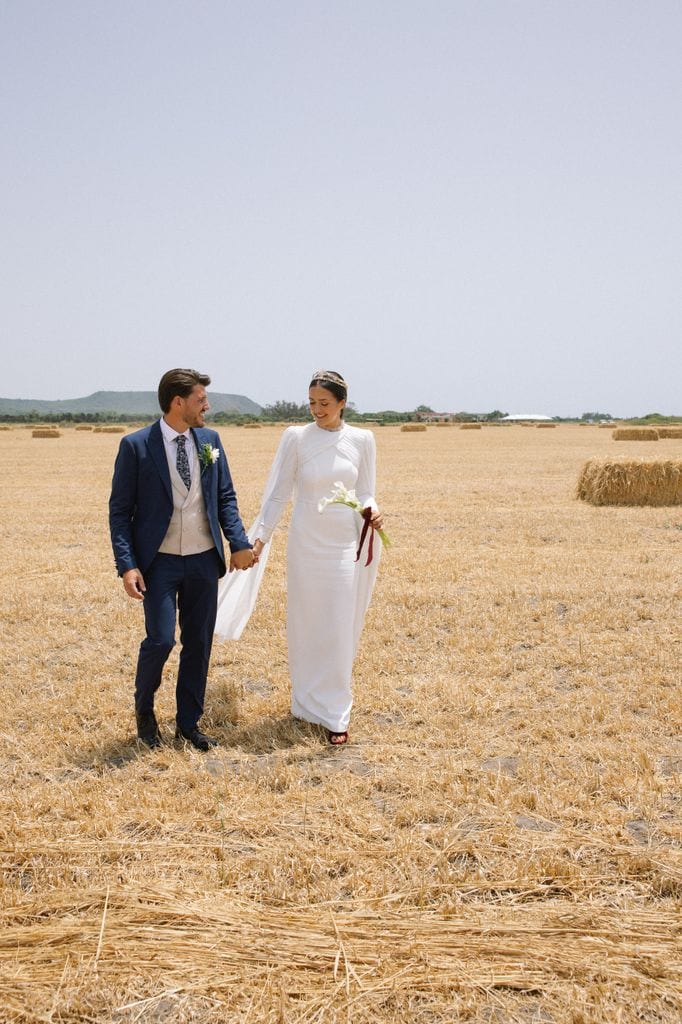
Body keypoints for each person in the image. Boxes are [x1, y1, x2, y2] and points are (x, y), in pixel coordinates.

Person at [214, 370, 385, 744]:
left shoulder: (363, 439)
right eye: (311, 403)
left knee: (338, 624)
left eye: (324, 404)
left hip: (343, 545)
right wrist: (257, 539)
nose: (316, 410)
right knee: (306, 623)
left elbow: (366, 490)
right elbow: (277, 495)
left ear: (342, 402)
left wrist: (374, 509)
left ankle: (336, 711)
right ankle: (306, 702)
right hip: (306, 544)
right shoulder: (295, 438)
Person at [109, 368, 255, 751]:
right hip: (159, 564)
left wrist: (237, 541)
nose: (207, 405)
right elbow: (120, 512)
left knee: (199, 643)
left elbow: (225, 496)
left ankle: (188, 724)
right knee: (160, 639)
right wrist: (127, 565)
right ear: (178, 402)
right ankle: (145, 711)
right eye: (201, 399)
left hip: (204, 560)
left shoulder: (210, 440)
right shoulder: (136, 446)